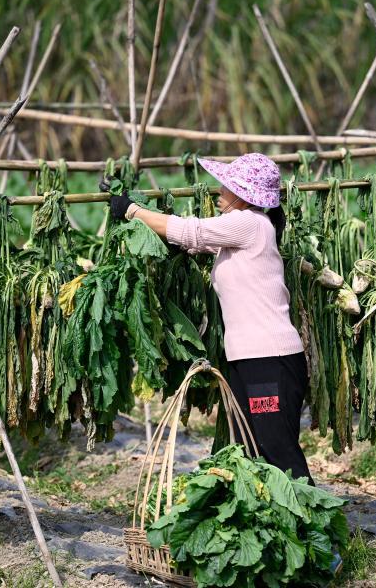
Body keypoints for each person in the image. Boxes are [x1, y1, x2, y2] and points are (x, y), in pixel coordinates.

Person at [109, 153, 314, 483]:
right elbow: (191, 240)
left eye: (227, 186)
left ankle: (311, 526)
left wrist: (131, 210)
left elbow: (191, 231)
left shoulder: (249, 223)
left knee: (276, 449)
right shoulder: (242, 231)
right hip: (250, 360)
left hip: (269, 360)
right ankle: (274, 527)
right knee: (253, 448)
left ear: (243, 194)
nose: (219, 190)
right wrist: (140, 210)